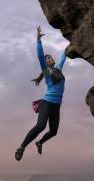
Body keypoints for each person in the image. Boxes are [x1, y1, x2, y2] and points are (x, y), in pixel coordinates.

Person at [15, 26, 67, 161]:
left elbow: (63, 56)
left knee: (53, 132)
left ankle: (40, 142)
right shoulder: (47, 72)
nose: (49, 59)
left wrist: (70, 45)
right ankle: (21, 147)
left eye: (50, 57)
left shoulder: (59, 69)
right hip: (47, 103)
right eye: (47, 59)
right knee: (41, 126)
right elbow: (40, 56)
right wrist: (38, 40)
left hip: (56, 106)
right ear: (46, 63)